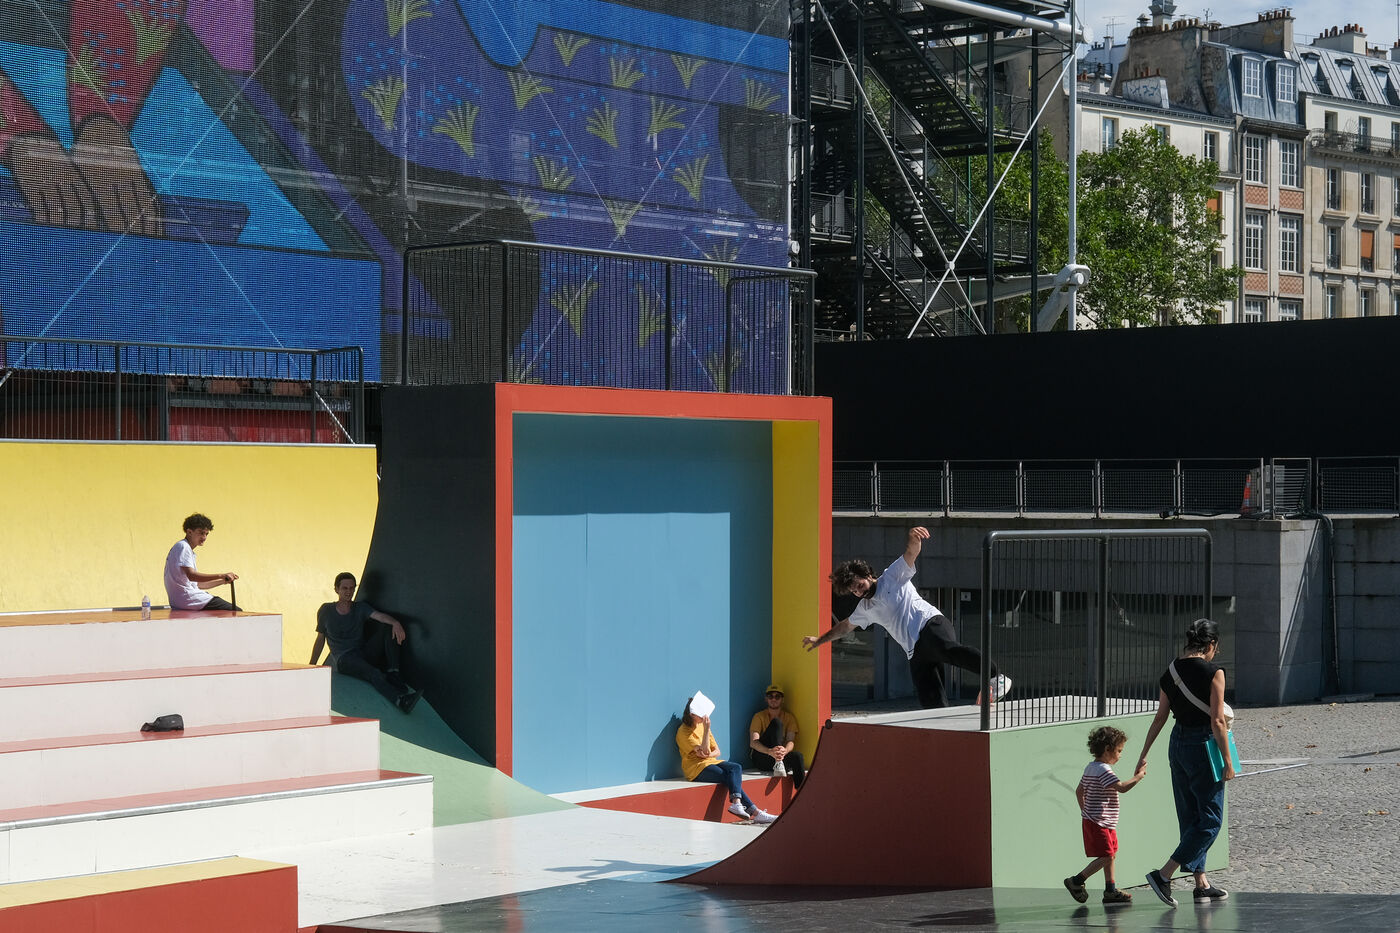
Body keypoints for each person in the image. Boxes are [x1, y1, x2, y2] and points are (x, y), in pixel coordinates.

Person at [807, 526, 1011, 709]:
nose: (860, 592)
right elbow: (845, 626)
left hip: (929, 624)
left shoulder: (892, 576)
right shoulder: (864, 608)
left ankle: (996, 676)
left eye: (860, 586)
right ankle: (940, 726)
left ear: (868, 575)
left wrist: (914, 537)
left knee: (947, 650)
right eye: (855, 591)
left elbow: (911, 553)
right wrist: (820, 639)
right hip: (914, 649)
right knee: (928, 694)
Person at [1136, 618, 1234, 907]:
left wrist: (1144, 752)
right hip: (1203, 744)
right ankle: (1163, 875)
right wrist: (1228, 760)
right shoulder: (1214, 672)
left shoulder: (1171, 671)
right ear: (1211, 644)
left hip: (1177, 744)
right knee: (1211, 819)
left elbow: (1160, 717)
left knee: (1190, 816)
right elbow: (1217, 721)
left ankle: (1201, 883)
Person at [311, 572, 420, 714]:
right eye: (345, 588)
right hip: (345, 659)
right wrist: (312, 665)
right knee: (373, 673)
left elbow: (379, 616)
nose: (349, 591)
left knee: (388, 626)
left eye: (352, 588)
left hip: (363, 652)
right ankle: (401, 701)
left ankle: (394, 672)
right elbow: (320, 638)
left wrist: (395, 622)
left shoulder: (360, 607)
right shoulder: (326, 610)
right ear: (336, 589)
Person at [1064, 725, 1146, 905]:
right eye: (1119, 750)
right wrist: (1139, 776)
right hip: (1099, 822)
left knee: (1111, 854)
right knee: (1108, 856)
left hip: (1100, 821)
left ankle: (1110, 890)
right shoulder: (1104, 770)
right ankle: (1077, 880)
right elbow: (1122, 787)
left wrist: (1085, 811)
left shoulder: (1090, 767)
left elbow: (1079, 791)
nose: (1120, 755)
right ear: (1108, 749)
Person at [676, 697, 776, 824]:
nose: (705, 717)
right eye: (701, 715)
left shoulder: (701, 725)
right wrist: (706, 731)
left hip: (710, 762)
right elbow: (705, 751)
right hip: (695, 769)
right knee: (728, 777)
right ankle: (756, 812)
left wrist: (707, 753)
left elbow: (717, 751)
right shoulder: (683, 732)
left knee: (736, 767)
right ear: (692, 715)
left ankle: (737, 804)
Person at [163, 513, 240, 611]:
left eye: (206, 534)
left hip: (182, 600)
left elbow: (198, 584)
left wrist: (223, 581)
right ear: (189, 532)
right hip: (189, 599)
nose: (204, 537)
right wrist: (221, 575)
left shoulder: (183, 548)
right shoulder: (184, 547)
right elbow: (192, 576)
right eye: (201, 533)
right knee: (237, 611)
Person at [748, 683, 805, 788]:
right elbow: (753, 742)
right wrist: (770, 751)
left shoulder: (789, 718)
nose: (773, 699)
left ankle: (801, 792)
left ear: (782, 699)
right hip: (763, 757)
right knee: (776, 723)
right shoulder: (759, 716)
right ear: (766, 699)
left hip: (780, 759)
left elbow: (790, 741)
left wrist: (784, 751)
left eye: (777, 696)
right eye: (770, 696)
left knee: (798, 756)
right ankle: (778, 762)